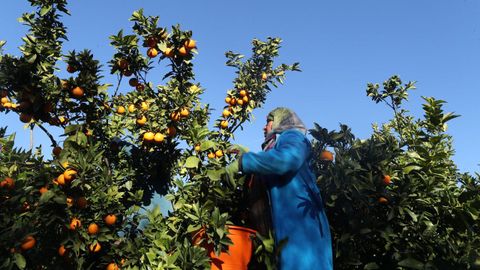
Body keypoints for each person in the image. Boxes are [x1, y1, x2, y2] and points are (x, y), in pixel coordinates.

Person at [226, 107, 333, 270]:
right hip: (288, 239)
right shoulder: (277, 147)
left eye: (268, 122)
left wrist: (244, 162)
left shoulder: (293, 136)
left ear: (280, 121)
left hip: (303, 238)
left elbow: (287, 159)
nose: (264, 127)